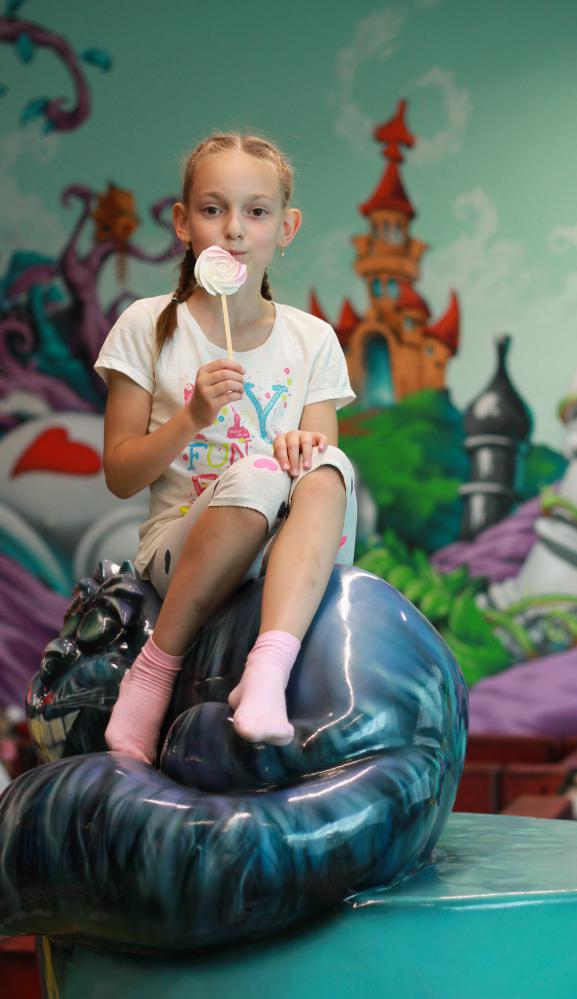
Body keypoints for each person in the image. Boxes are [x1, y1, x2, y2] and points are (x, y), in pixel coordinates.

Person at [94, 132, 357, 764]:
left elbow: (320, 469)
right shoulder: (147, 325)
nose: (235, 228)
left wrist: (303, 443)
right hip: (184, 547)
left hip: (287, 550)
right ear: (183, 224)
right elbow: (121, 476)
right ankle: (153, 673)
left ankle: (267, 671)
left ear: (286, 228)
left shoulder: (313, 339)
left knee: (325, 464)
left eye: (256, 211)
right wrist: (192, 417)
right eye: (214, 209)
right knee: (260, 474)